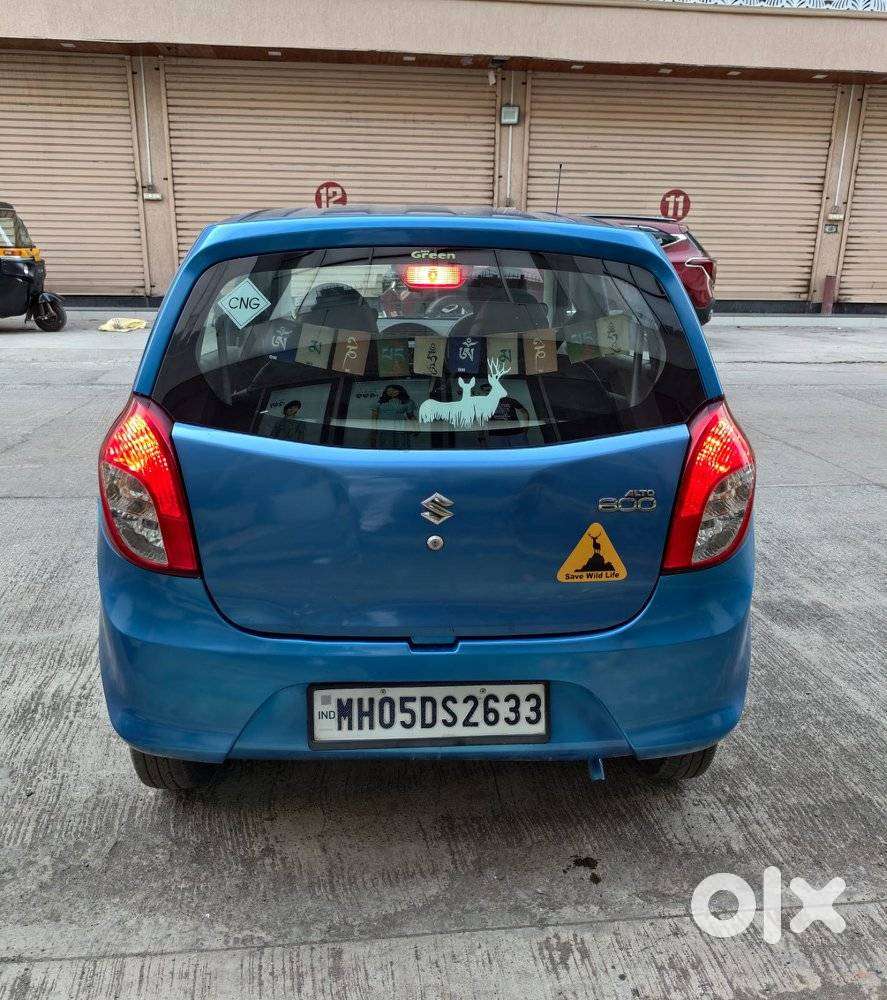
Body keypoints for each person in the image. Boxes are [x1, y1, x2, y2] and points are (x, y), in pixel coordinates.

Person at [371, 384, 417, 448]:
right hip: (384, 429)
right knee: (385, 449)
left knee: (400, 448)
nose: (392, 392)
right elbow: (374, 417)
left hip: (400, 429)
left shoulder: (407, 402)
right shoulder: (380, 402)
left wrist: (416, 427)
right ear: (386, 392)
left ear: (400, 390)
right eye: (389, 391)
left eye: (394, 390)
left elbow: (411, 416)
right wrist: (373, 432)